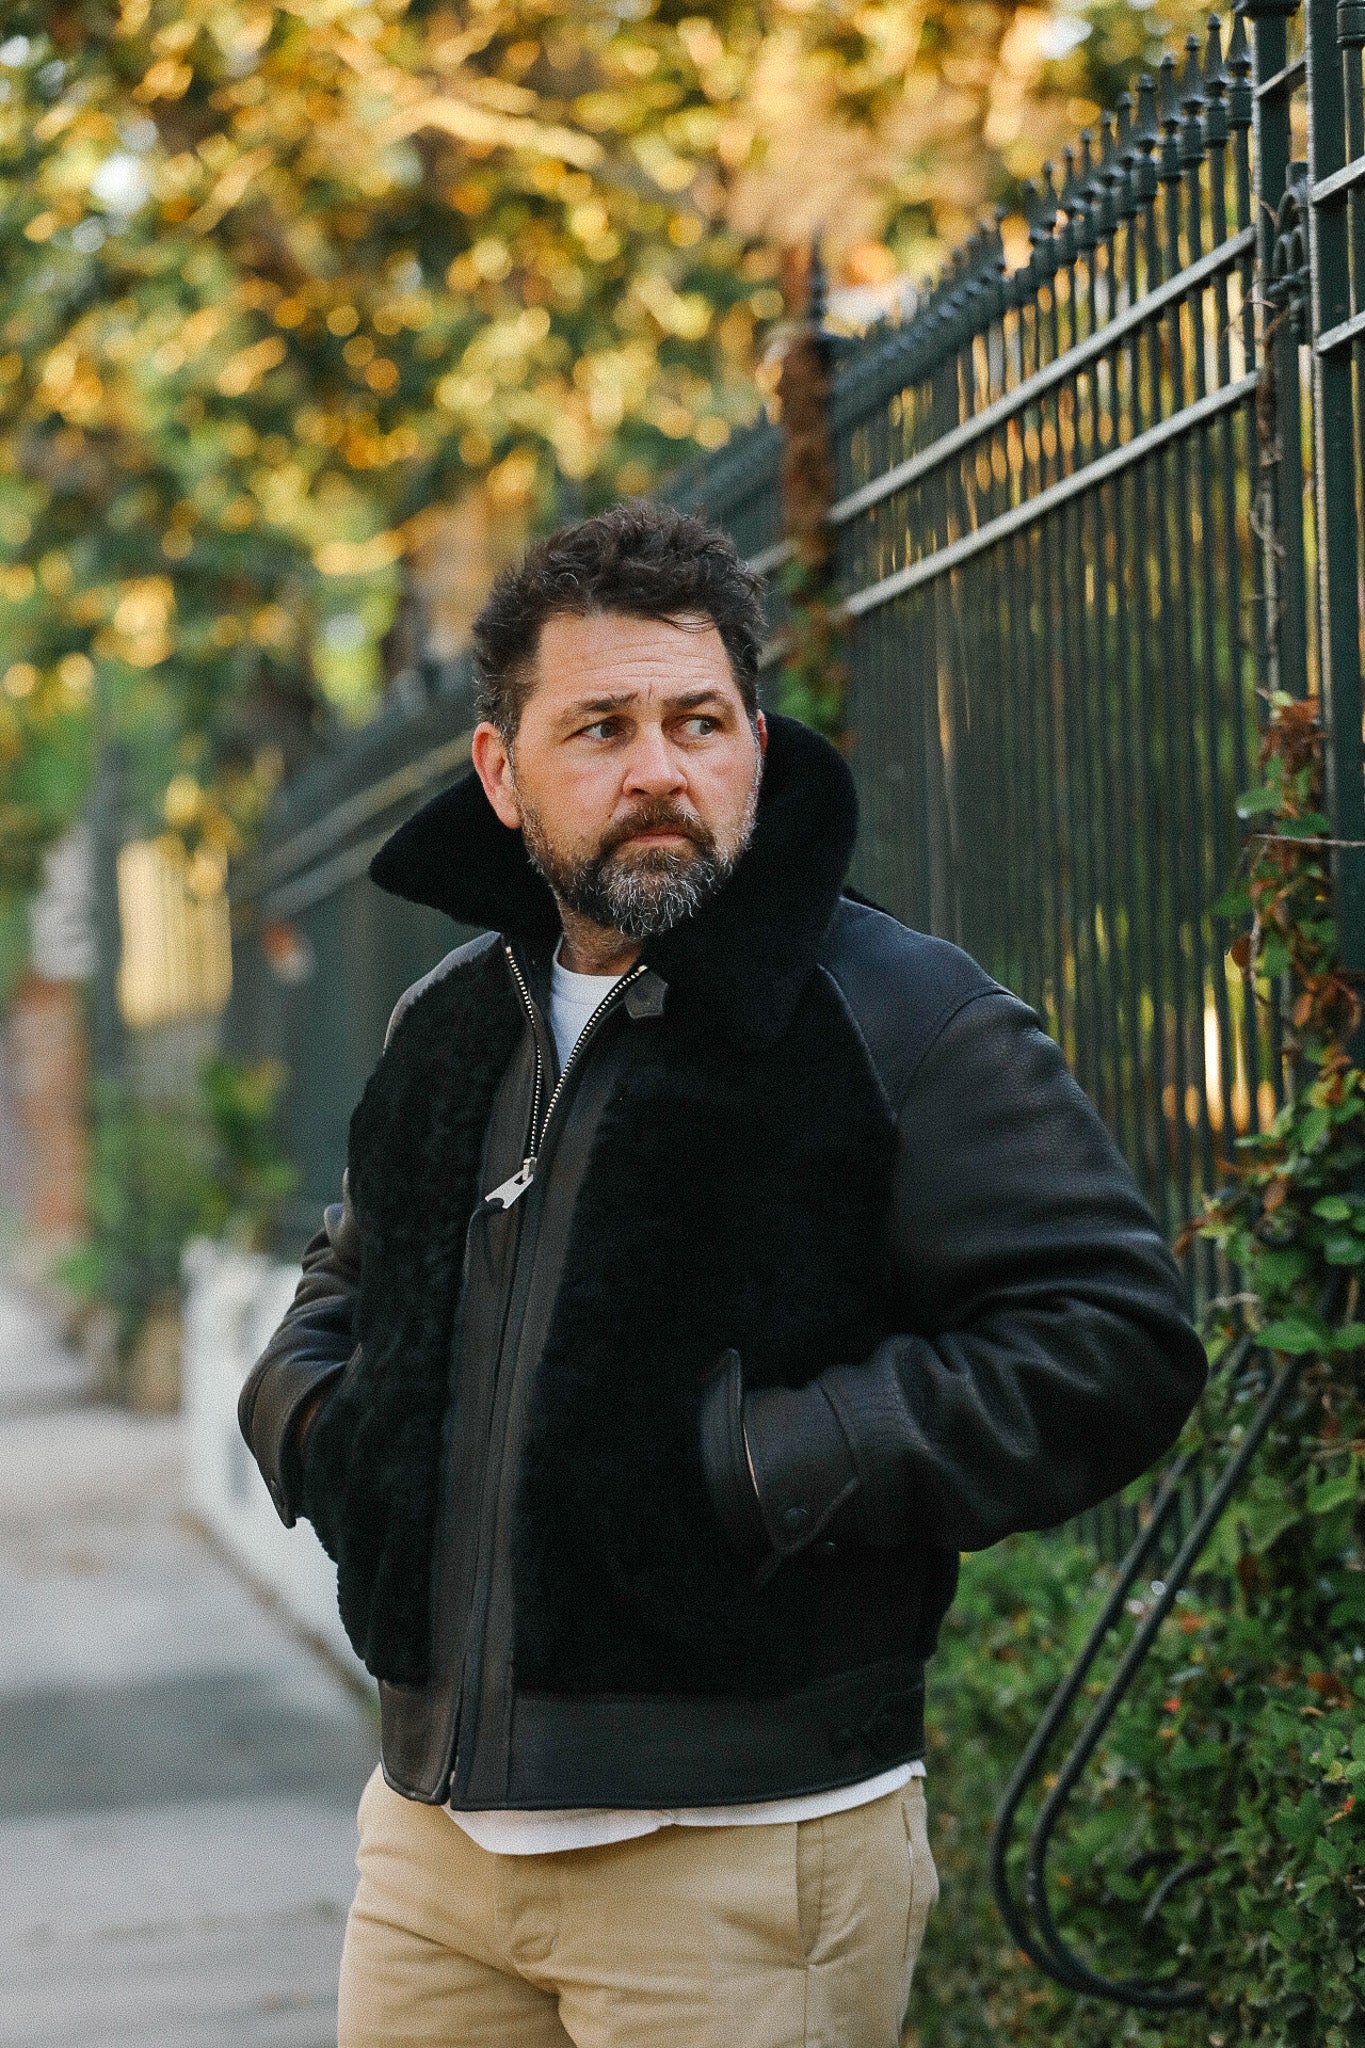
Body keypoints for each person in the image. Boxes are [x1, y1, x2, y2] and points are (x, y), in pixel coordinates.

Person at [238, 500, 1207, 2048]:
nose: (657, 772)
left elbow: (1112, 1340)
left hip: (747, 1858)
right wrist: (318, 1422)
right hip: (429, 1848)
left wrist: (768, 1463)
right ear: (500, 771)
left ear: (755, 740)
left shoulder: (899, 1016)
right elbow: (347, 1283)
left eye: (696, 722)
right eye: (600, 728)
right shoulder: (450, 1018)